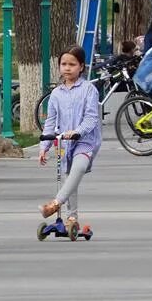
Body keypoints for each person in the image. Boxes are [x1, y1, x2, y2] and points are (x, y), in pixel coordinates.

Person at [37, 45, 101, 223]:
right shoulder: (56, 94)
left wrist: (77, 132)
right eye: (63, 64)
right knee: (69, 176)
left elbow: (91, 118)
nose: (67, 67)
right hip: (65, 143)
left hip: (85, 141)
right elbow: (50, 122)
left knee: (78, 168)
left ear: (81, 66)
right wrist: (44, 146)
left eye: (72, 64)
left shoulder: (89, 90)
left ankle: (55, 203)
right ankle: (72, 218)